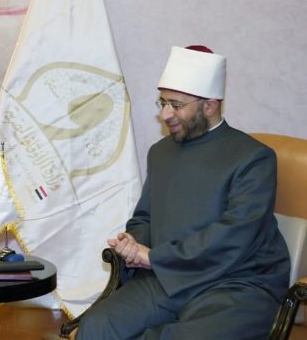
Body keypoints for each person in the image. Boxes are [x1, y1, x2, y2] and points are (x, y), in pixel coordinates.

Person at [76, 45, 290, 339]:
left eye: (176, 105)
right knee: (97, 327)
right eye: (162, 102)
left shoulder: (254, 158)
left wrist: (155, 257)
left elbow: (236, 235)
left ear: (209, 106)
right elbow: (145, 217)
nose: (165, 114)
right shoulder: (161, 152)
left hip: (236, 283)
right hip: (167, 277)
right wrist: (134, 244)